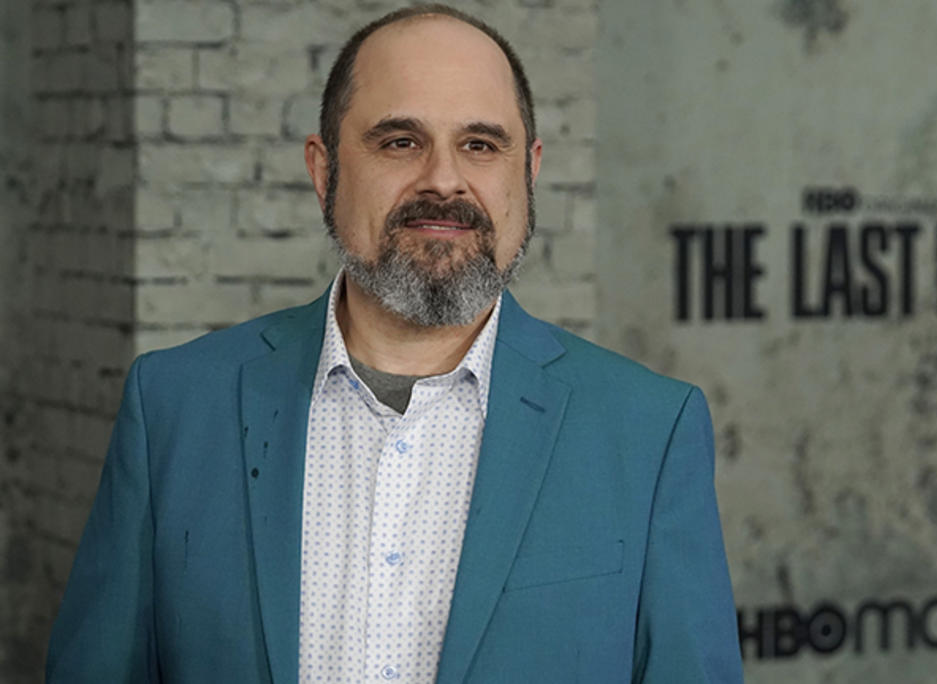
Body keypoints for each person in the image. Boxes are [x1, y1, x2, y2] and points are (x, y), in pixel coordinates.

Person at [46, 4, 742, 682]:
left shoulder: (648, 431)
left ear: (527, 173)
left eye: (480, 144)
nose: (443, 179)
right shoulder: (172, 407)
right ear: (325, 171)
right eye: (400, 141)